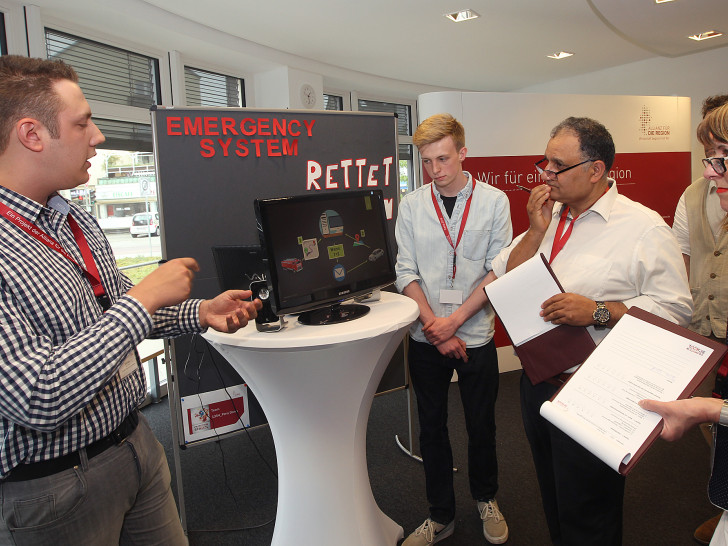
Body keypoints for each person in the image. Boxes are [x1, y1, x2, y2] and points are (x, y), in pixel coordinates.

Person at [0, 55, 262, 545]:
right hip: (56, 488)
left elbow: (110, 304)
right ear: (32, 135)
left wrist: (199, 311)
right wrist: (141, 300)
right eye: (82, 123)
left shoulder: (71, 218)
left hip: (136, 442)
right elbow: (36, 396)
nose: (98, 136)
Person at [490, 116, 693, 545]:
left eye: (557, 165)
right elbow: (507, 275)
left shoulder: (643, 227)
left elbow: (676, 311)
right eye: (543, 163)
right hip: (537, 381)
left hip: (596, 391)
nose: (546, 174)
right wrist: (535, 231)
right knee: (554, 499)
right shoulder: (549, 217)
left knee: (591, 514)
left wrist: (598, 310)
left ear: (595, 170)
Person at [395, 113, 512, 545]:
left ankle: (486, 498)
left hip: (476, 334)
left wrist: (455, 322)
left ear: (463, 153)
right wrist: (434, 327)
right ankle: (439, 514)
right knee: (431, 426)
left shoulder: (494, 202)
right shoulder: (411, 205)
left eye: (443, 158)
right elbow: (405, 270)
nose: (436, 170)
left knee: (482, 424)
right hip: (426, 337)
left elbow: (497, 271)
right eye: (427, 161)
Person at [672, 94, 728, 545]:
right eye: (710, 157)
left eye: (722, 157)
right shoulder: (694, 194)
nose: (710, 170)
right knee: (719, 419)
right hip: (706, 326)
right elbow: (682, 258)